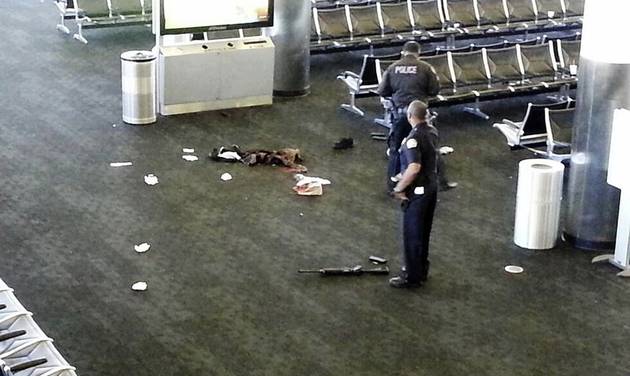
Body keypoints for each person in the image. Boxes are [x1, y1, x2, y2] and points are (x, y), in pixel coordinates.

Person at [376, 41, 457, 191]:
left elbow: (382, 91)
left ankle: (392, 186)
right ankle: (442, 182)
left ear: (403, 52)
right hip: (420, 115)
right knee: (431, 148)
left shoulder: (393, 67)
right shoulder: (426, 68)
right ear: (418, 53)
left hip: (400, 114)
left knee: (395, 149)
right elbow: (434, 90)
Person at [389, 100, 439, 288]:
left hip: (417, 193)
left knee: (412, 234)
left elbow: (414, 167)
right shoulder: (432, 132)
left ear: (410, 116)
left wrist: (399, 187)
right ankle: (421, 270)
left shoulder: (413, 138)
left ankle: (411, 276)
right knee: (424, 232)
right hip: (431, 188)